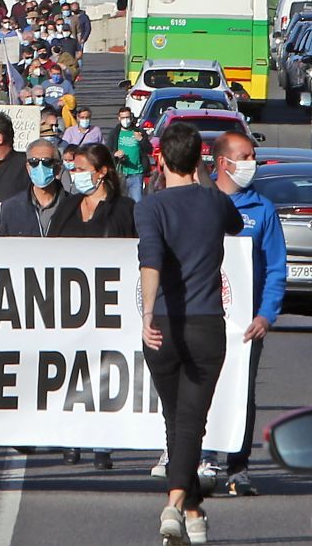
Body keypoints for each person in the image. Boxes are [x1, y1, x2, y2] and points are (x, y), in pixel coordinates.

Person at [136, 122, 243, 546]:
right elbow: (234, 222)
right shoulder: (214, 202)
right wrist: (203, 181)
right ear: (199, 160)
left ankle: (184, 509)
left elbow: (151, 261)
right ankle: (183, 506)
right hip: (206, 325)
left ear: (160, 160)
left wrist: (146, 312)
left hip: (164, 321)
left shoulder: (150, 207)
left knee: (177, 419)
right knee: (189, 422)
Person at [208, 132, 286, 497]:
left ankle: (238, 467)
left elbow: (275, 268)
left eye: (253, 155)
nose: (252, 161)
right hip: (201, 320)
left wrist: (266, 315)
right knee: (200, 392)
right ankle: (199, 459)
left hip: (245, 326)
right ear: (223, 162)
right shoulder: (199, 200)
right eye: (245, 155)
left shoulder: (262, 209)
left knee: (242, 394)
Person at [49, 143, 136, 471]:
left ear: (102, 173)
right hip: (70, 306)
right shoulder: (69, 206)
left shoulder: (125, 209)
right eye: (73, 169)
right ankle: (72, 438)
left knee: (104, 374)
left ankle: (103, 444)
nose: (76, 175)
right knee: (71, 374)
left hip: (109, 307)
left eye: (83, 169)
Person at [0, 138, 66, 237]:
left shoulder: (73, 206)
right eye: (34, 162)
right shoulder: (10, 207)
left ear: (58, 167)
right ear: (28, 167)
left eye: (47, 161)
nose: (40, 167)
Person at [110, 107, 149, 203]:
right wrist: (115, 154)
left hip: (136, 174)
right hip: (121, 174)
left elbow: (149, 149)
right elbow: (107, 151)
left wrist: (141, 140)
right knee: (120, 203)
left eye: (127, 117)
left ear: (131, 118)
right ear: (119, 118)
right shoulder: (115, 133)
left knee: (137, 203)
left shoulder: (138, 132)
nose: (125, 120)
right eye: (123, 118)